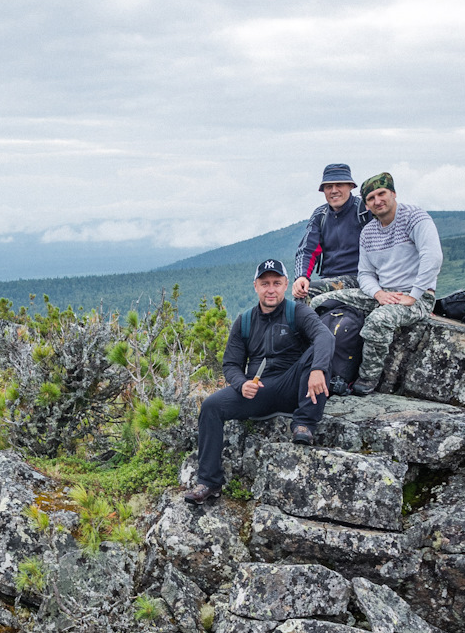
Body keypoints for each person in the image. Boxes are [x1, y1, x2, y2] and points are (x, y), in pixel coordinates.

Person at [182, 259, 335, 504]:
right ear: (256, 286)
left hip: (293, 386)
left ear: (286, 285)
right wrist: (241, 384)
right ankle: (208, 482)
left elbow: (324, 337)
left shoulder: (298, 312)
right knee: (211, 406)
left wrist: (318, 369)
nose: (270, 289)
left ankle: (304, 424)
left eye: (276, 283)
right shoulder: (244, 321)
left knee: (316, 352)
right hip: (257, 391)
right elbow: (231, 364)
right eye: (265, 284)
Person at [312, 171, 442, 395]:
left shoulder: (415, 218)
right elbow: (365, 274)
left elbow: (432, 257)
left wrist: (414, 295)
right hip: (382, 293)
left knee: (378, 321)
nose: (377, 201)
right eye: (371, 198)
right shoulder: (369, 232)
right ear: (366, 204)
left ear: (393, 193)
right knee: (319, 301)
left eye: (382, 194)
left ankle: (367, 380)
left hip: (417, 297)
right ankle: (310, 365)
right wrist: (378, 294)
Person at [291, 163, 371, 300]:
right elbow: (307, 249)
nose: (334, 190)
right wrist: (301, 276)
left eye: (339, 184)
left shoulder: (364, 211)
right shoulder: (320, 215)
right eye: (329, 186)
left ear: (351, 186)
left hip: (360, 278)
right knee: (302, 291)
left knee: (310, 291)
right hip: (328, 278)